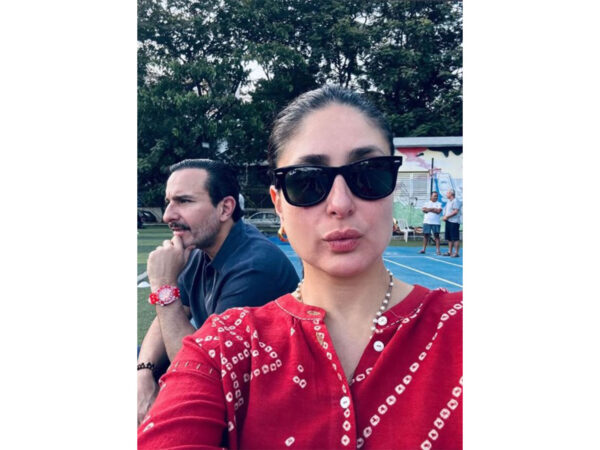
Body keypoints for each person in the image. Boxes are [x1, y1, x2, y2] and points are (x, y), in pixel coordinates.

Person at [138, 86, 462, 449]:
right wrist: (144, 370)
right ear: (279, 204)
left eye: (369, 173)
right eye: (306, 181)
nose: (340, 204)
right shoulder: (227, 343)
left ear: (392, 187)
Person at [137, 158, 299, 425]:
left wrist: (164, 285)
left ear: (225, 208)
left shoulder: (255, 267)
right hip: (215, 371)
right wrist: (143, 374)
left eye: (184, 201)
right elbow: (169, 319)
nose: (167, 215)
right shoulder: (200, 251)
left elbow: (202, 373)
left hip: (255, 404)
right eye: (169, 202)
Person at [442, 188, 461, 257]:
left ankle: (456, 252)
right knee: (449, 238)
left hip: (454, 222)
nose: (446, 194)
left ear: (451, 194)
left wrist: (447, 217)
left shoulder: (456, 201)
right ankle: (449, 252)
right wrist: (445, 216)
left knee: (455, 238)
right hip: (448, 221)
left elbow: (455, 211)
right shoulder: (449, 201)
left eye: (447, 193)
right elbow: (447, 211)